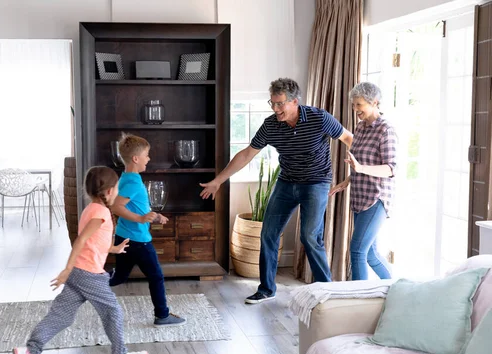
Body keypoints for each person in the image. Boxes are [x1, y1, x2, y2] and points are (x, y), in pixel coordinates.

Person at [200, 78, 353, 303]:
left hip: (316, 182)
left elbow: (348, 138)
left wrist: (358, 170)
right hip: (287, 182)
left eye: (280, 104)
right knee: (268, 233)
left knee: (309, 236)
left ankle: (326, 292)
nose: (275, 109)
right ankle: (267, 289)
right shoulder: (271, 125)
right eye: (272, 103)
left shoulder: (319, 118)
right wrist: (218, 181)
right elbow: (246, 154)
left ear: (294, 102)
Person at [12, 166, 148, 354]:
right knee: (112, 311)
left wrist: (113, 249)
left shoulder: (90, 209)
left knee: (62, 316)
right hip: (88, 275)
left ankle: (28, 352)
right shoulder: (101, 213)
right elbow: (81, 241)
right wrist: (66, 269)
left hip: (79, 272)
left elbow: (94, 242)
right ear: (111, 190)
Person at [109, 133, 186, 327]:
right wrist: (141, 219)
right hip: (138, 240)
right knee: (156, 276)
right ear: (136, 159)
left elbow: (135, 205)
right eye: (147, 155)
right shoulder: (133, 182)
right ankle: (162, 315)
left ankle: (88, 284)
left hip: (124, 236)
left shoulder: (127, 177)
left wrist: (154, 215)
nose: (148, 159)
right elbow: (116, 207)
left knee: (119, 276)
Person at [329, 81, 397, 280]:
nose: (355, 109)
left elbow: (391, 168)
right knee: (370, 254)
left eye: (359, 104)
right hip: (359, 198)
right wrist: (347, 180)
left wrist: (360, 169)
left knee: (357, 251)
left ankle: (359, 298)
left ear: (374, 102)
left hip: (377, 198)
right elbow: (362, 162)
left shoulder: (386, 130)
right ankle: (395, 289)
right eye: (353, 104)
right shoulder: (360, 128)